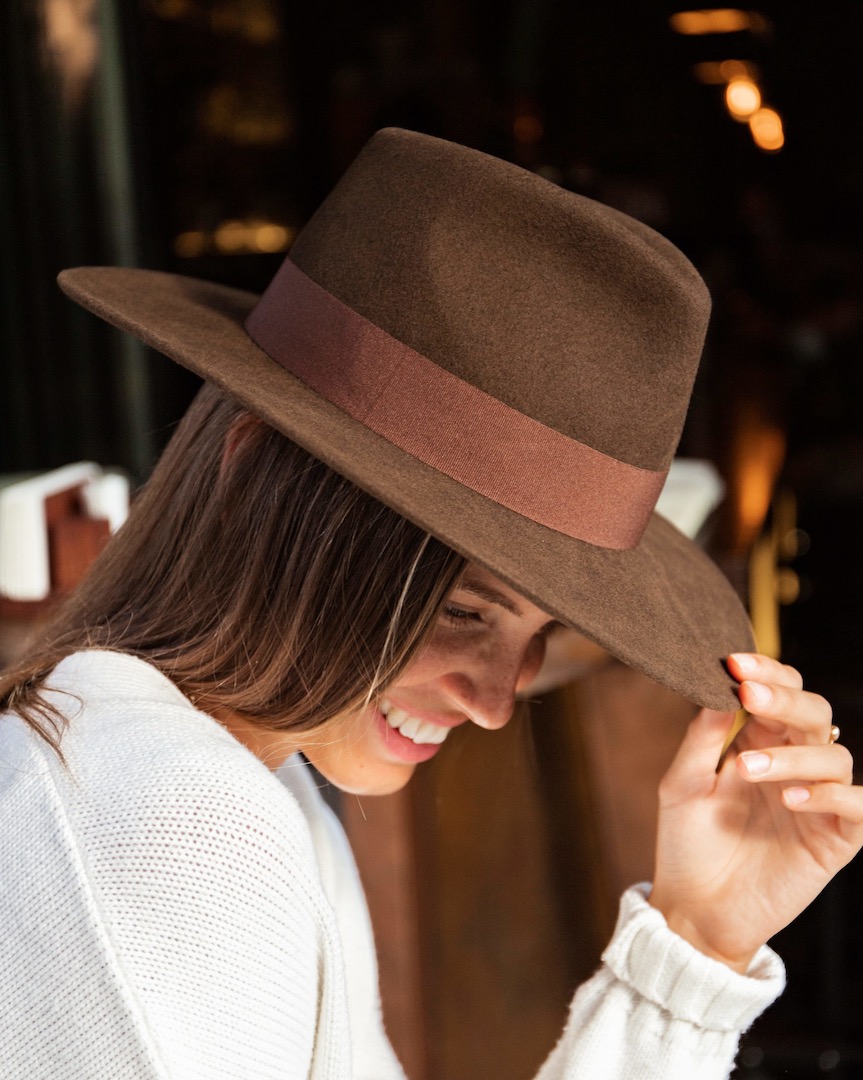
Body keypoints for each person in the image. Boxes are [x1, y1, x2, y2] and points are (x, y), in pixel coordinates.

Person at [0, 128, 860, 1080]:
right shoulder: (187, 824)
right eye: (459, 610)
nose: (496, 702)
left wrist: (696, 945)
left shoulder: (232, 783)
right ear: (255, 482)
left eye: (543, 632)